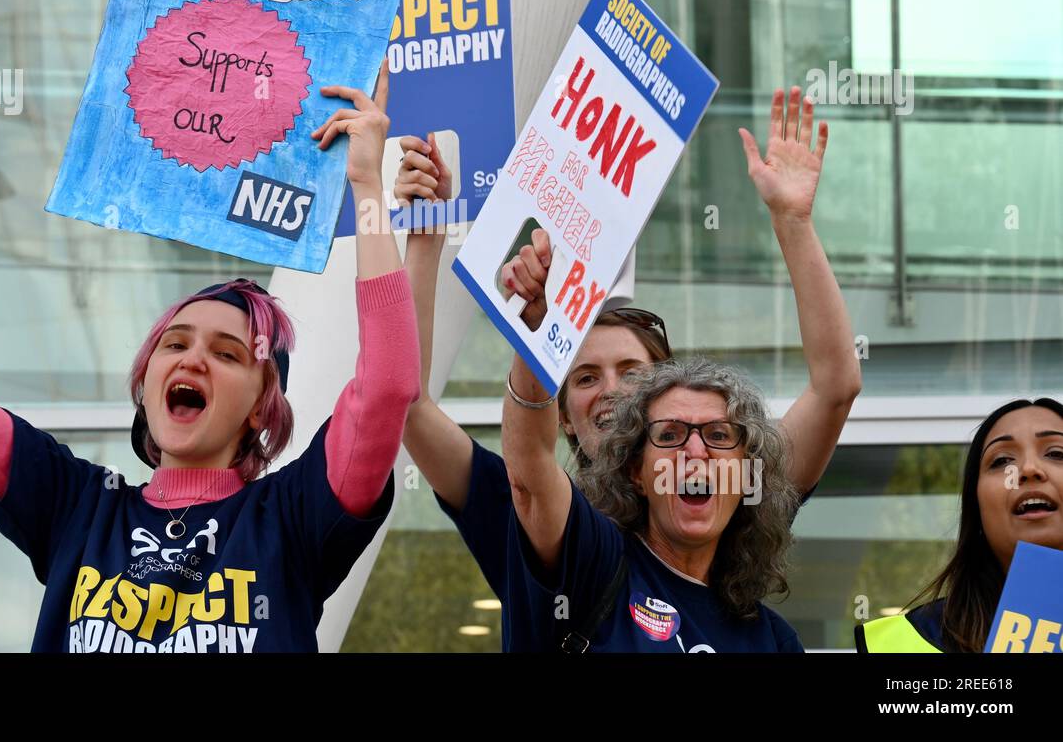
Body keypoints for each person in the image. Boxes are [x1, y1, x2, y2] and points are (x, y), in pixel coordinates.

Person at [0, 67, 421, 652]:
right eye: (175, 343)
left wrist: (367, 189)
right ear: (147, 379)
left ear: (262, 409)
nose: (194, 360)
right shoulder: (76, 508)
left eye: (228, 354)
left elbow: (387, 386)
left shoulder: (289, 517)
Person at [396, 88, 860, 647]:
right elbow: (418, 408)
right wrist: (432, 243)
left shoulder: (723, 486)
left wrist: (793, 221)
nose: (614, 394)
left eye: (634, 374)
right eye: (585, 376)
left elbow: (835, 387)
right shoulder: (554, 524)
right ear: (561, 412)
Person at [505, 358, 804, 652]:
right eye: (670, 435)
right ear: (637, 473)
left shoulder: (772, 639)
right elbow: (531, 469)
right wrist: (537, 338)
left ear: (747, 477)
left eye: (718, 435)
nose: (696, 451)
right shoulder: (593, 563)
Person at [856, 397, 1063, 653]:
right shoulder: (900, 644)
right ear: (976, 507)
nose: (1029, 469)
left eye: (1056, 454)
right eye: (1001, 461)